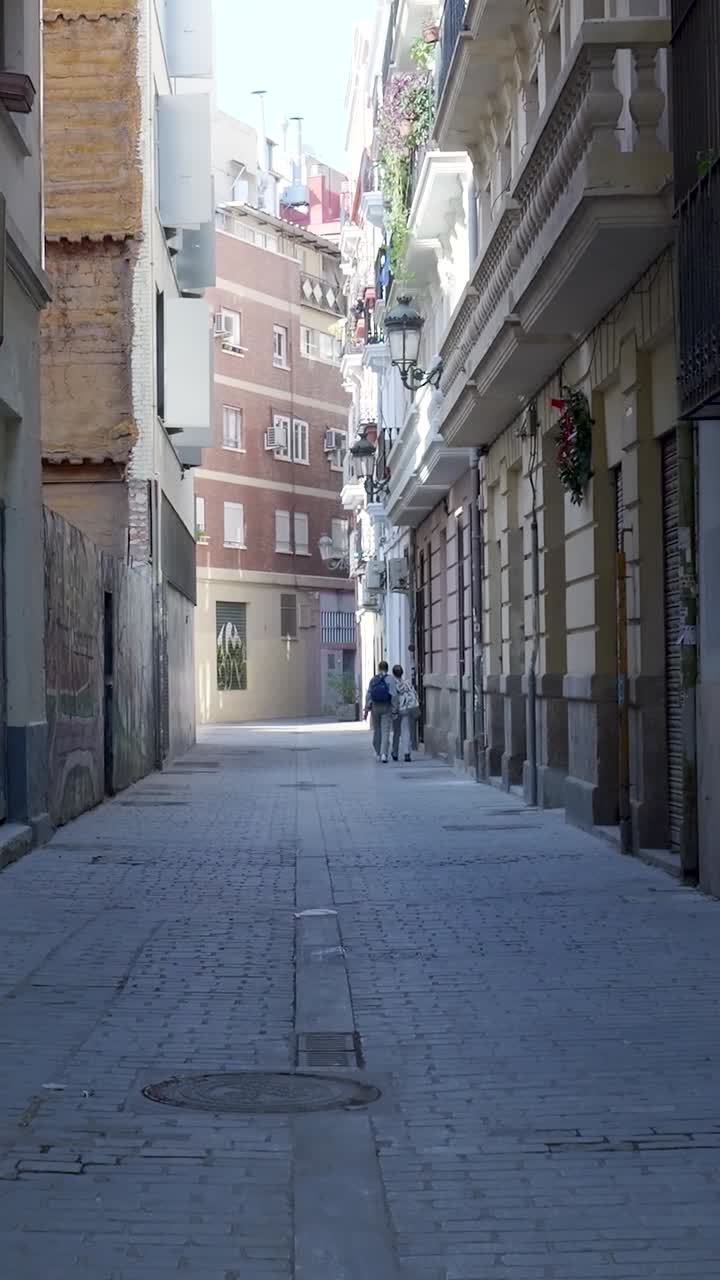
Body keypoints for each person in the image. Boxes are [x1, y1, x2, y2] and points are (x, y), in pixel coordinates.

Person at [364, 661, 397, 763]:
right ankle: (384, 754)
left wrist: (367, 708)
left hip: (375, 707)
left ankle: (378, 752)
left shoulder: (374, 679)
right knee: (385, 730)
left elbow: (369, 694)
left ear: (378, 669)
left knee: (377, 730)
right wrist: (394, 709)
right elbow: (394, 695)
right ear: (387, 669)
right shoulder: (390, 679)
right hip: (386, 706)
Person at [391, 664, 419, 763]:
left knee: (396, 732)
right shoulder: (407, 683)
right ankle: (407, 753)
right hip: (407, 709)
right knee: (406, 731)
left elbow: (392, 697)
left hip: (397, 709)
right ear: (402, 673)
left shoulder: (392, 684)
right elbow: (414, 694)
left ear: (393, 673)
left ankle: (395, 752)